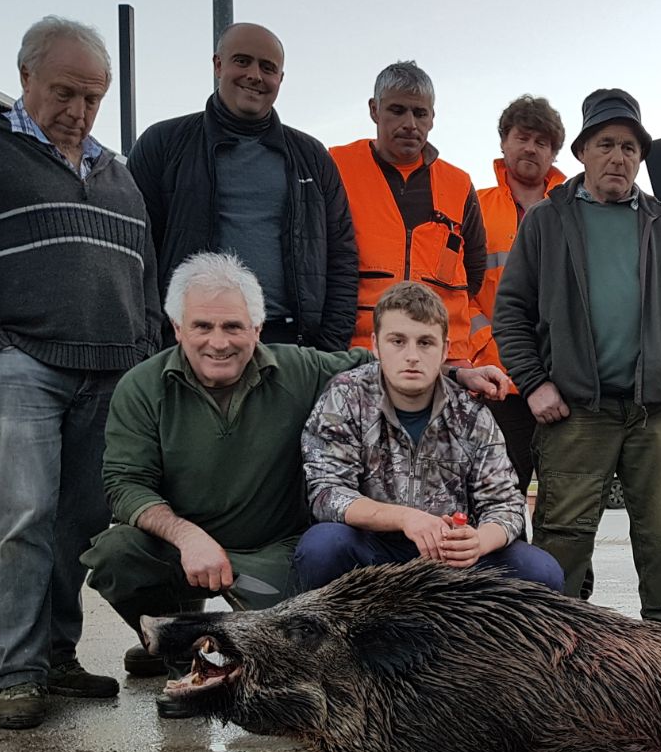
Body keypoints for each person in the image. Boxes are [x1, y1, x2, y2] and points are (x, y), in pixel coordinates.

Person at [81, 252, 500, 715]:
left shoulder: (299, 369)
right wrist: (187, 536)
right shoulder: (141, 388)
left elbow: (381, 358)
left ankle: (252, 674)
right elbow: (123, 484)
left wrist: (457, 373)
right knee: (115, 555)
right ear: (177, 327)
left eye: (233, 327)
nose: (218, 342)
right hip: (182, 546)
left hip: (273, 552)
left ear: (257, 330)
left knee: (294, 628)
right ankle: (185, 662)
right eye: (202, 326)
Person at [0, 16, 161, 730]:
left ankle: (57, 657)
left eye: (92, 97)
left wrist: (140, 354)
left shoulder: (118, 175)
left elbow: (144, 274)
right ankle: (17, 677)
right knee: (20, 519)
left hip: (108, 378)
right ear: (26, 78)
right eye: (65, 91)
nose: (78, 111)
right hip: (19, 368)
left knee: (78, 524)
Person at [494, 88, 661, 623]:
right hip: (575, 412)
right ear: (583, 152)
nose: (619, 158)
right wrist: (536, 382)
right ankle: (550, 650)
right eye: (607, 145)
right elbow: (511, 313)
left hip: (652, 413)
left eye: (630, 148)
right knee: (563, 539)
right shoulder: (547, 221)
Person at [295, 281, 563, 591]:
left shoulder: (470, 413)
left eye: (425, 342)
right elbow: (326, 494)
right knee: (321, 548)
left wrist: (478, 541)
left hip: (452, 559)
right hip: (371, 551)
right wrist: (405, 519)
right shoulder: (346, 397)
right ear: (375, 344)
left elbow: (505, 504)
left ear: (445, 349)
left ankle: (479, 638)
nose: (412, 356)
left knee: (541, 571)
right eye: (397, 341)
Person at [127, 22, 358, 351]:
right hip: (190, 347)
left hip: (290, 349)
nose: (255, 75)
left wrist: (327, 353)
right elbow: (136, 257)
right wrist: (154, 346)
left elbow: (341, 260)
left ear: (281, 79)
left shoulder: (312, 157)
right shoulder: (163, 145)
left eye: (268, 67)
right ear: (218, 65)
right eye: (242, 61)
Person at [330, 61, 486, 354]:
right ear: (374, 109)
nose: (410, 124)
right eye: (397, 110)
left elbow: (474, 271)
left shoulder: (459, 184)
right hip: (359, 354)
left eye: (420, 113)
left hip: (443, 357)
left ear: (432, 117)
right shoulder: (336, 167)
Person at [469, 95, 568, 496]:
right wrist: (490, 350)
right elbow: (460, 292)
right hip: (498, 385)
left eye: (542, 142)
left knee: (568, 504)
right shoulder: (473, 206)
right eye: (522, 137)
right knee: (498, 498)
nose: (531, 148)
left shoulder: (573, 209)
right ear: (503, 143)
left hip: (564, 383)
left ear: (554, 153)